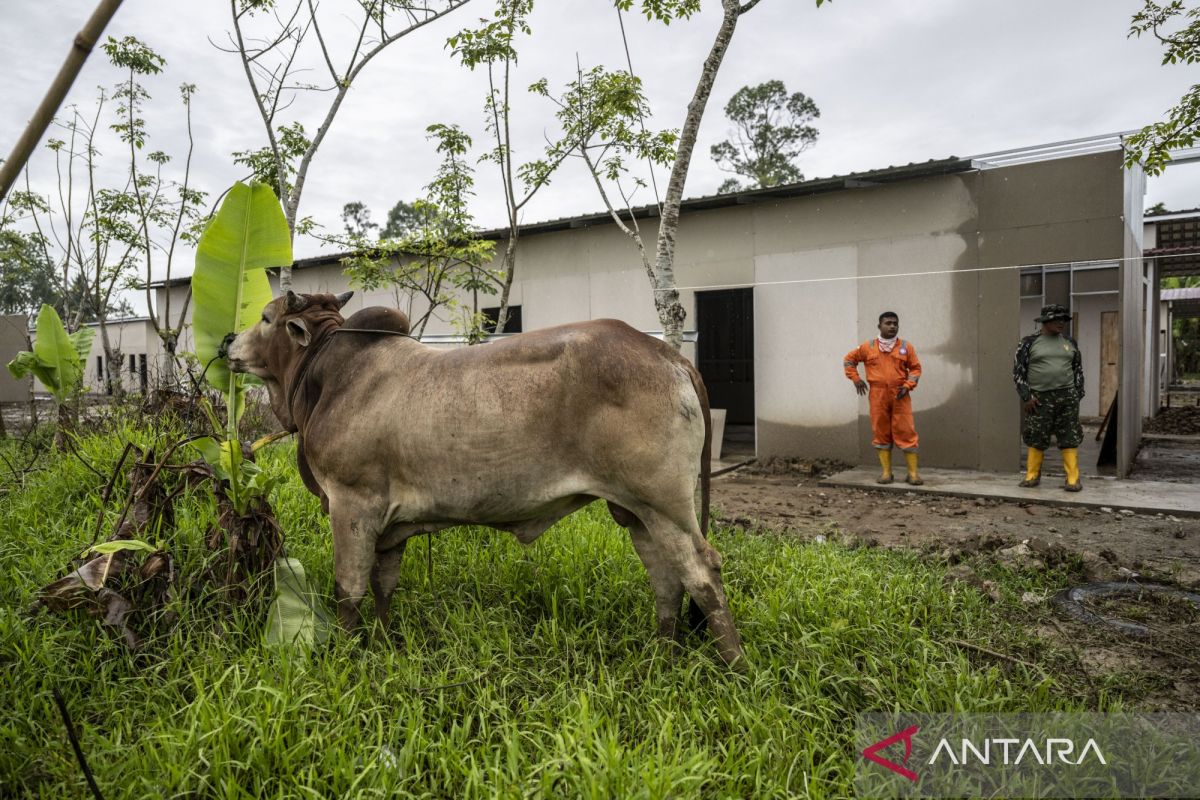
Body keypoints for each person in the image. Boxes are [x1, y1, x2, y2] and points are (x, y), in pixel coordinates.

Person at [843, 311, 923, 485]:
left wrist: (908, 385)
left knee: (906, 431)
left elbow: (916, 369)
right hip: (878, 395)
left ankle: (913, 474)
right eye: (888, 323)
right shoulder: (868, 346)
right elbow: (849, 361)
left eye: (895, 323)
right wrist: (856, 379)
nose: (892, 326)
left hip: (900, 394)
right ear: (879, 326)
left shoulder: (905, 346)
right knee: (881, 431)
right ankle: (887, 473)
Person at [1012, 303, 1085, 492]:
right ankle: (1031, 476)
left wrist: (1077, 394)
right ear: (1046, 321)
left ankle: (1073, 479)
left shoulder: (1070, 342)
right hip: (1039, 398)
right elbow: (1018, 372)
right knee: (1036, 436)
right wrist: (1026, 396)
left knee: (1069, 436)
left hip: (1067, 396)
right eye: (1056, 319)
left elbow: (1077, 370)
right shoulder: (1028, 342)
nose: (1061, 323)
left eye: (1064, 320)